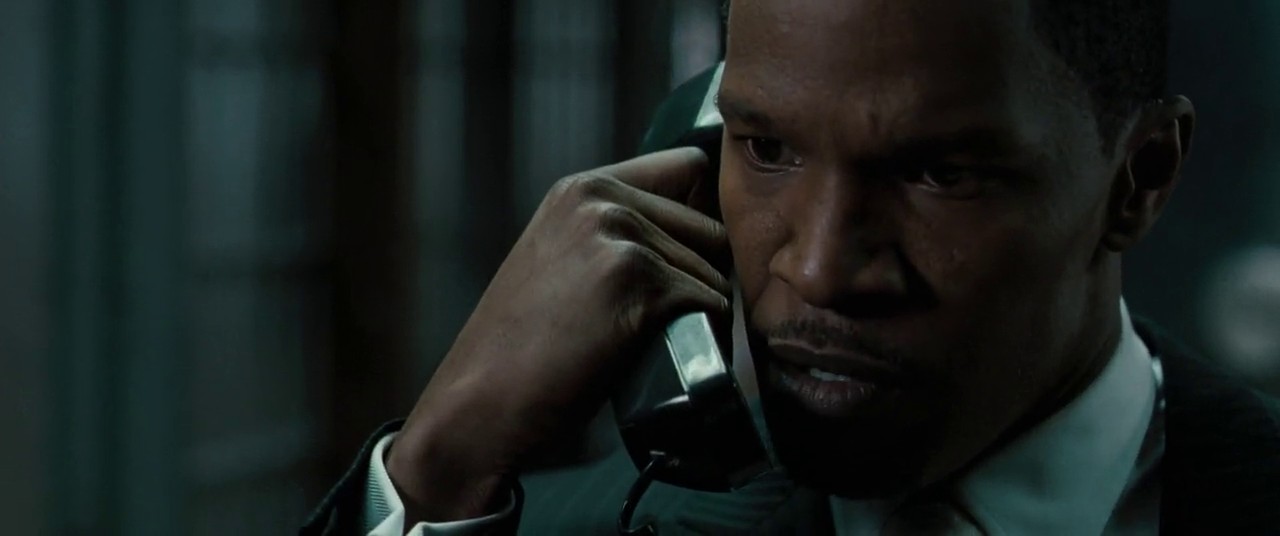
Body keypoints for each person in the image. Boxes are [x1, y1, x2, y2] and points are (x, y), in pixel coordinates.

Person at [303, 0, 1280, 534]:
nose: (817, 270)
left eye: (939, 174)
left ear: (1140, 177)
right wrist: (440, 467)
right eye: (766, 149)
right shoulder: (567, 524)